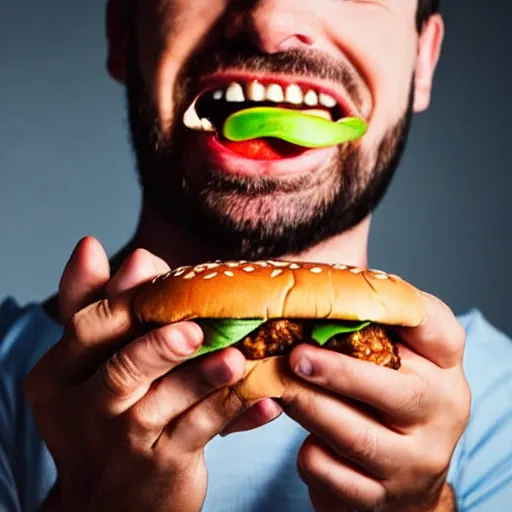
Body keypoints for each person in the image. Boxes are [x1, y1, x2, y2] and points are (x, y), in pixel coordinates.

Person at [1, 0, 511, 510]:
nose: (271, 22)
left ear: (424, 59)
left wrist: (424, 506)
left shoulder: (499, 403)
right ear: (122, 31)